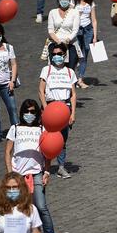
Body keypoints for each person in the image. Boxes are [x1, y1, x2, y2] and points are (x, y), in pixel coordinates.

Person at [5, 99, 59, 233]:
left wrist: (47, 171)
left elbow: (48, 153)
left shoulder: (42, 130)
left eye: (33, 112)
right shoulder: (15, 128)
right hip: (18, 175)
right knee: (20, 208)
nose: (30, 114)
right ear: (22, 113)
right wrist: (10, 172)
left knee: (41, 206)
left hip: (36, 173)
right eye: (27, 111)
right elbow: (8, 152)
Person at [38, 43, 77, 179]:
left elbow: (73, 94)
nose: (56, 57)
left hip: (64, 109)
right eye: (53, 54)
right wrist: (45, 108)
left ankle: (61, 167)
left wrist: (72, 113)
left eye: (59, 54)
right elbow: (41, 91)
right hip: (50, 107)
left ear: (64, 55)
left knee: (62, 140)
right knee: (45, 138)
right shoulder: (46, 70)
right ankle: (44, 167)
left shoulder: (69, 72)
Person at [72, 0, 97, 88]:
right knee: (76, 53)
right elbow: (69, 16)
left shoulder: (91, 3)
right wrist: (77, 14)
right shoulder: (73, 2)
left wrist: (95, 36)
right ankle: (72, 78)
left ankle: (80, 79)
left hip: (88, 29)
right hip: (77, 29)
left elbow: (94, 20)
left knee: (85, 53)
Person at [47, 0, 80, 71]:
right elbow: (50, 30)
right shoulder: (52, 12)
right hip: (56, 44)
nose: (64, 1)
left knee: (70, 69)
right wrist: (59, 42)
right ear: (58, 0)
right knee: (55, 69)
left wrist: (67, 41)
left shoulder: (75, 12)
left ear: (69, 0)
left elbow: (75, 30)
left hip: (70, 44)